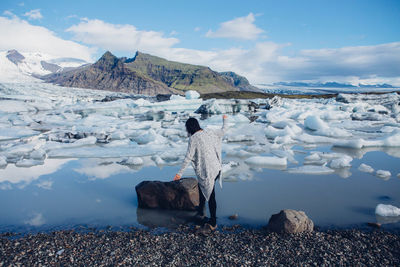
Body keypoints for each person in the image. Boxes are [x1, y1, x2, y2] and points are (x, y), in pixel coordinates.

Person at [173, 115, 228, 230]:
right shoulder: (209, 132)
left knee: (211, 196)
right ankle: (201, 211)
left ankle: (213, 222)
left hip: (208, 171)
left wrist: (179, 173)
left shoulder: (193, 138)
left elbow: (188, 157)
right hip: (216, 168)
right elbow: (223, 131)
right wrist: (225, 119)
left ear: (190, 128)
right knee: (202, 188)